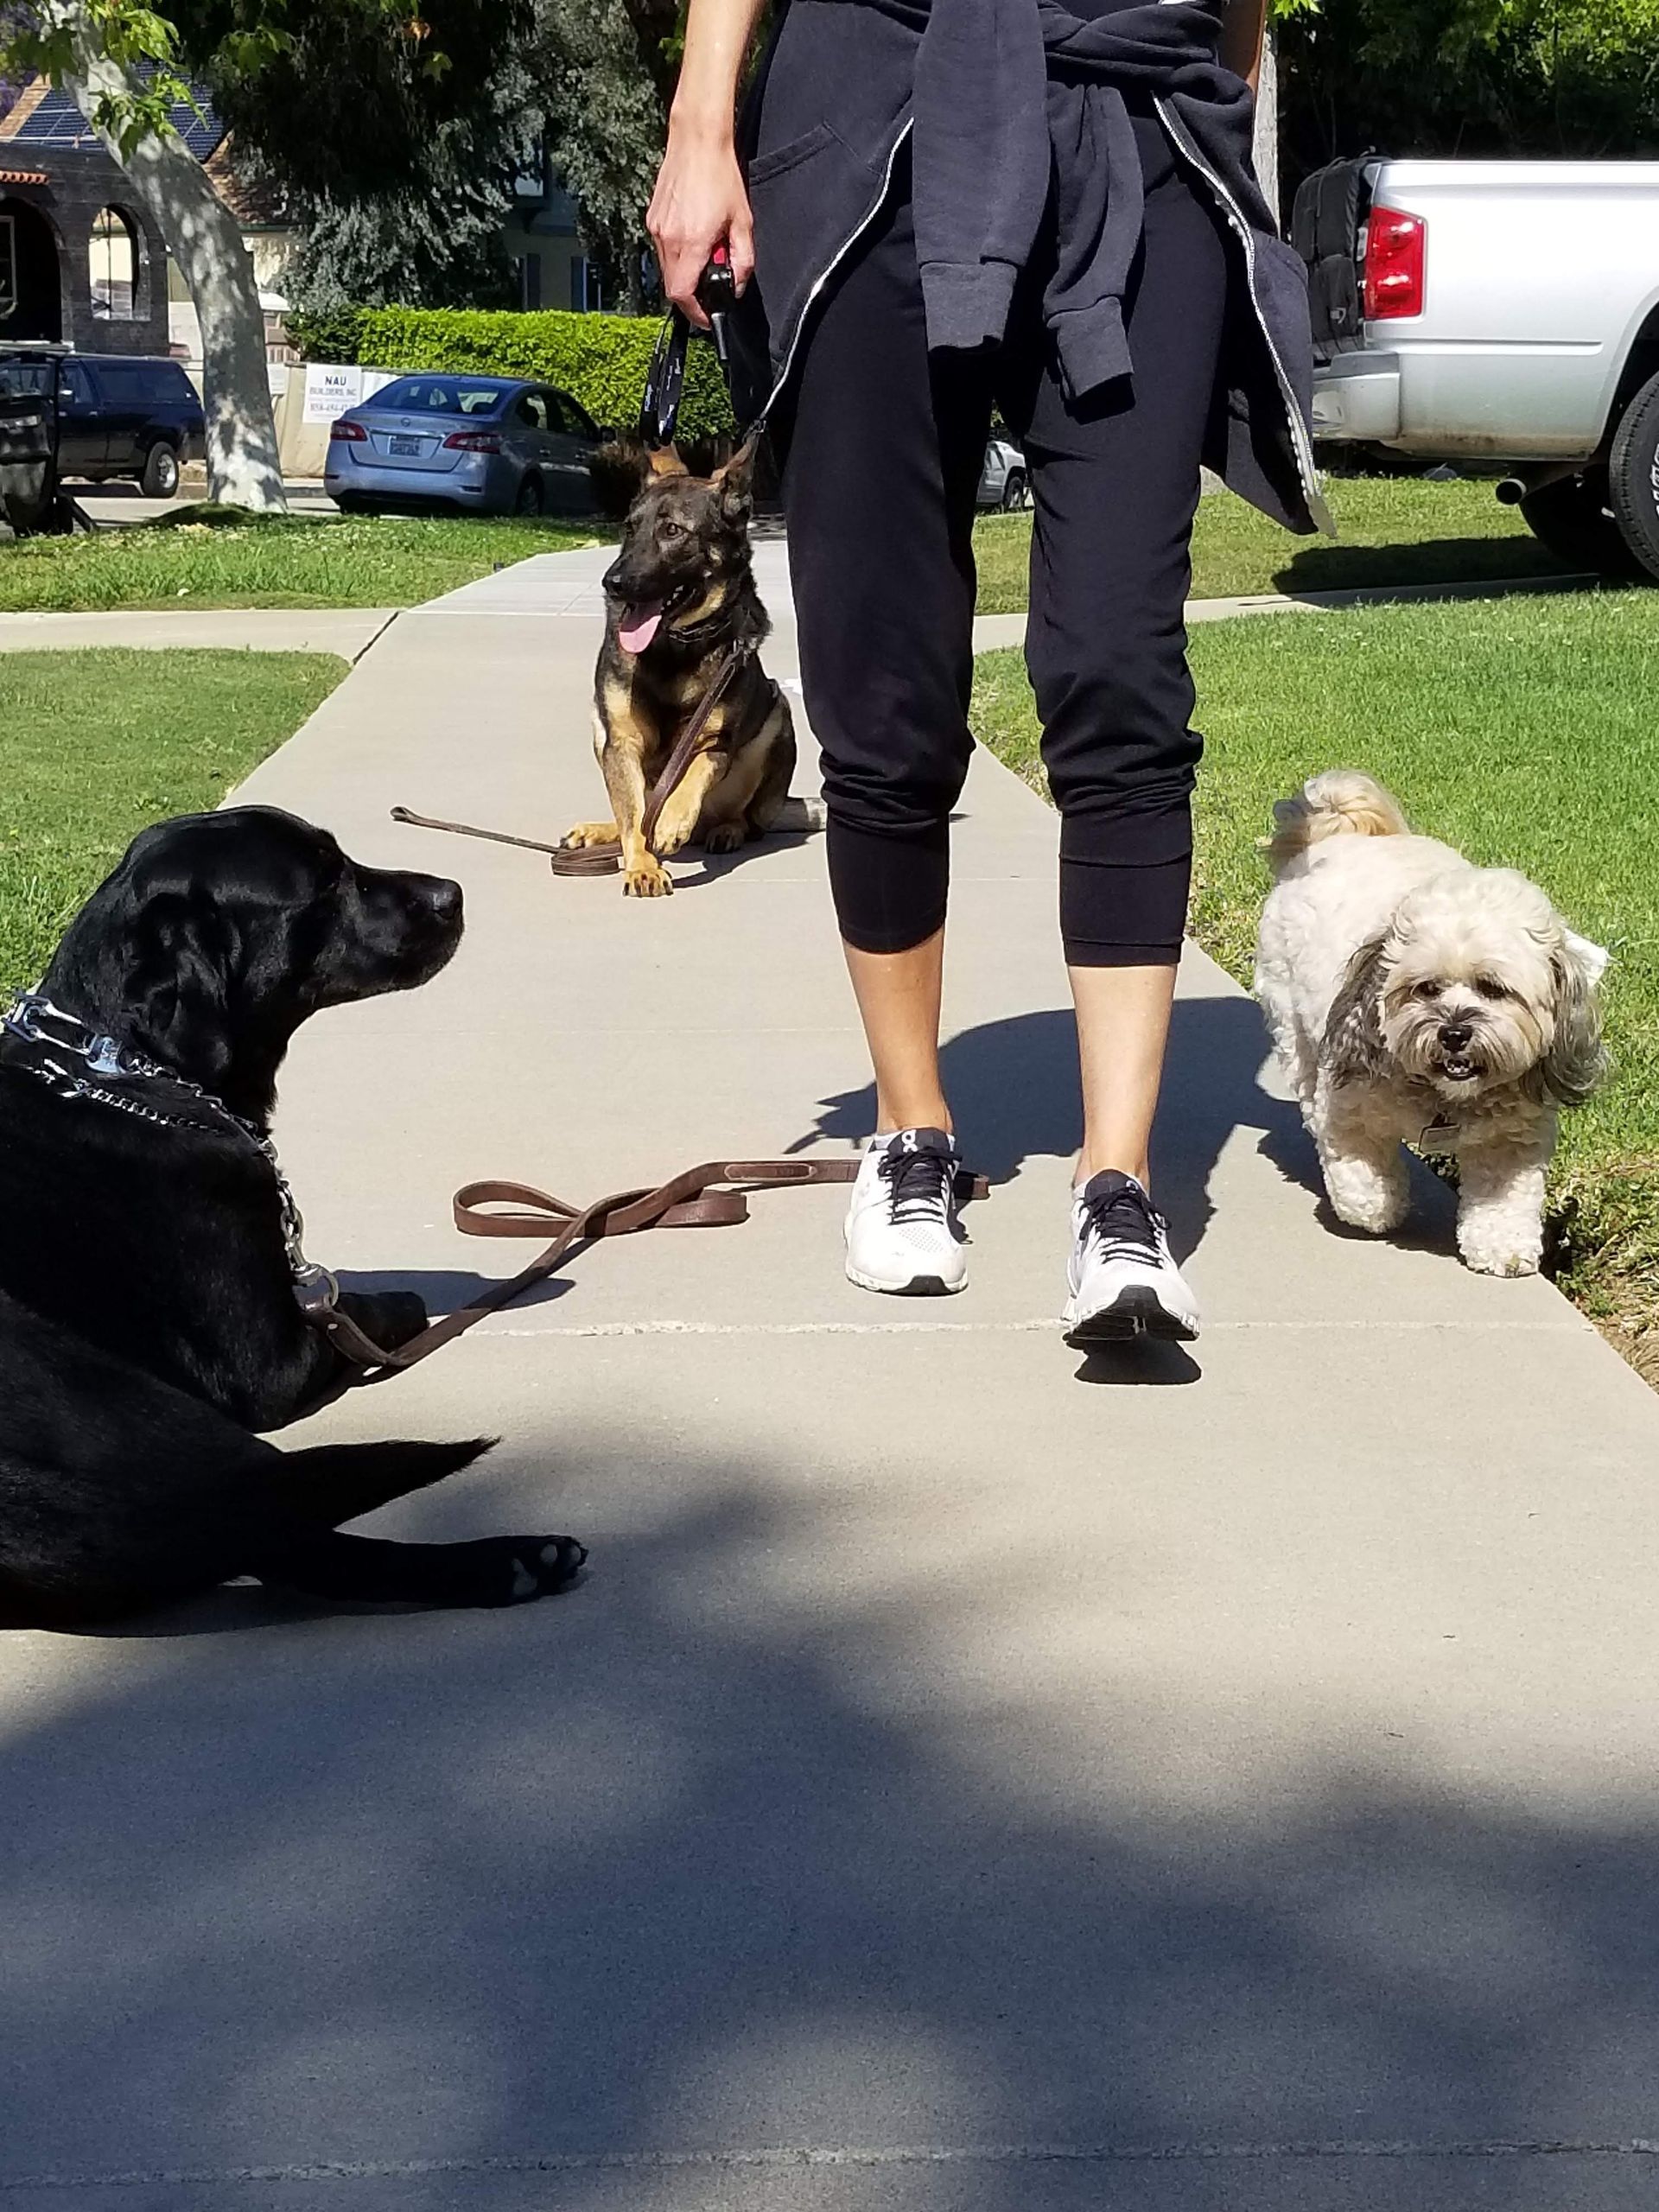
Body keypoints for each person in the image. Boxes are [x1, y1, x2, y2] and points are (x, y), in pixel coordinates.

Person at [648, 0, 1325, 1344]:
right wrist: (701, 120)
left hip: (1139, 117)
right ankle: (911, 1133)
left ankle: (1118, 1183)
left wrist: (1214, 102)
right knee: (882, 672)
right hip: (876, 111)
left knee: (1122, 663)